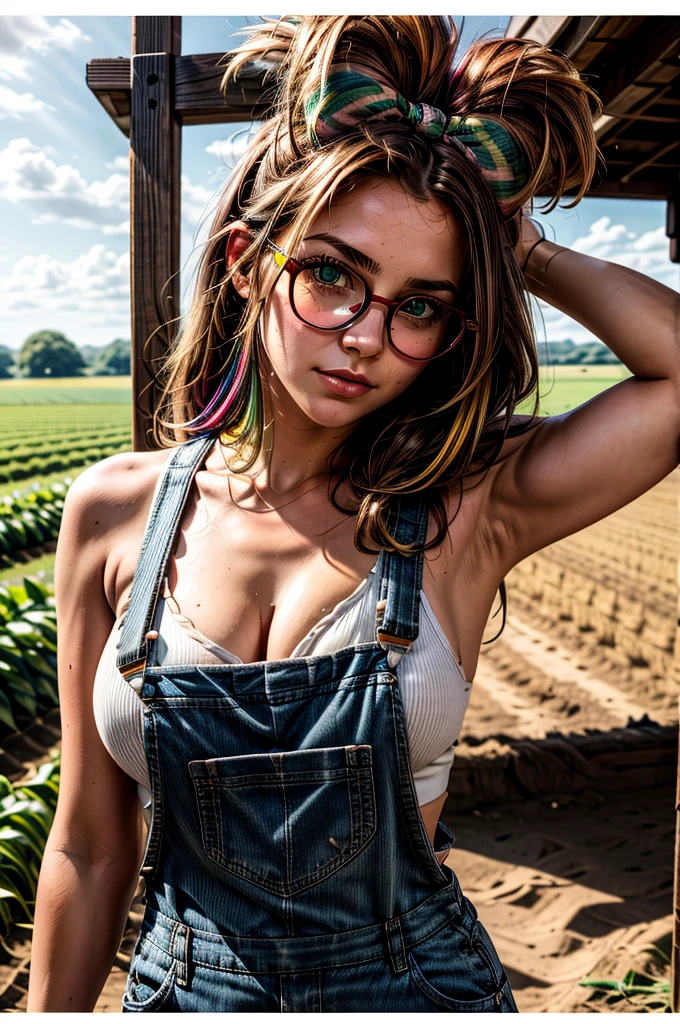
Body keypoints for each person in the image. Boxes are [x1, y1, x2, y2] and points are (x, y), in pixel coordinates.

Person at [27, 14, 680, 1014]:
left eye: (418, 304)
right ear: (250, 262)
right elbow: (87, 838)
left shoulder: (467, 504)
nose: (365, 336)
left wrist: (517, 245)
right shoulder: (113, 512)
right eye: (331, 274)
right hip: (181, 992)